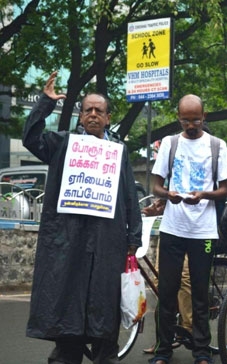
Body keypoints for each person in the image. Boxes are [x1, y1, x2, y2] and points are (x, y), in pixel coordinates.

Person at [22, 71, 143, 364]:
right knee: (68, 313)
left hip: (107, 242)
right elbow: (31, 138)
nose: (92, 115)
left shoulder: (118, 151)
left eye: (98, 111)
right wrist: (45, 103)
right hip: (68, 241)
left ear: (108, 117)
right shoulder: (63, 145)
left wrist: (133, 238)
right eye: (87, 110)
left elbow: (129, 195)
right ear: (80, 116)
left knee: (103, 313)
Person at [149, 94, 227, 364]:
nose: (191, 124)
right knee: (167, 291)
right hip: (173, 228)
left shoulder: (217, 146)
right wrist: (168, 194)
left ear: (204, 116)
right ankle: (163, 350)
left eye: (196, 119)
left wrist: (204, 195)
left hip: (203, 232)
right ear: (178, 118)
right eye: (186, 120)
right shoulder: (170, 145)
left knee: (199, 293)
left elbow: (224, 190)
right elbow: (156, 186)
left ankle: (201, 351)